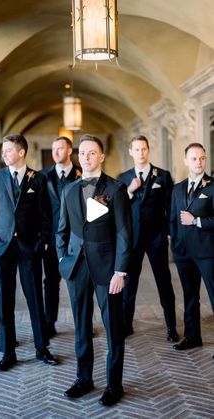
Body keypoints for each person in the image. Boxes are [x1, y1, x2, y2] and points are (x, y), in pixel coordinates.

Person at [56, 134, 131, 406]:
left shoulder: (115, 189)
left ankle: (114, 384)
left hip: (107, 268)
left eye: (92, 153)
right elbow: (62, 230)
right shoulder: (69, 189)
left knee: (113, 327)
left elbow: (124, 233)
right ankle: (83, 378)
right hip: (76, 268)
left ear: (101, 157)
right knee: (81, 327)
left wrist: (120, 272)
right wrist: (63, 259)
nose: (86, 158)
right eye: (83, 153)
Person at [0, 134, 58, 371]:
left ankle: (42, 348)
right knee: (4, 300)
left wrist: (43, 243)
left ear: (21, 152)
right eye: (2, 151)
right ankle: (8, 353)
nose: (3, 154)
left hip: (29, 248)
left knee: (35, 298)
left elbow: (47, 216)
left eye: (7, 150)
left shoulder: (38, 179)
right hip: (1, 248)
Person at [118, 135, 178, 341]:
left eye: (144, 149)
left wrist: (169, 233)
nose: (141, 153)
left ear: (148, 150)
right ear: (130, 152)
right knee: (130, 284)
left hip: (156, 237)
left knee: (164, 282)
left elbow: (171, 208)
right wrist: (130, 190)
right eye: (137, 149)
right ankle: (126, 325)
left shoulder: (163, 176)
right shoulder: (123, 178)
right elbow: (118, 207)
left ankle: (171, 326)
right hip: (132, 239)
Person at [170, 142, 214, 351]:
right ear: (186, 161)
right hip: (183, 252)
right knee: (190, 296)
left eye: (202, 158)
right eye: (195, 158)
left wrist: (196, 220)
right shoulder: (177, 188)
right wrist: (174, 242)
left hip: (207, 252)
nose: (199, 162)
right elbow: (172, 218)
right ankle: (192, 337)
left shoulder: (212, 186)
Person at [41, 136, 81, 338]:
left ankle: (83, 324)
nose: (55, 152)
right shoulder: (42, 177)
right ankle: (49, 323)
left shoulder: (82, 175)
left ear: (69, 151)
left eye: (60, 148)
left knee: (80, 283)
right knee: (51, 282)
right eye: (53, 148)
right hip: (51, 240)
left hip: (76, 240)